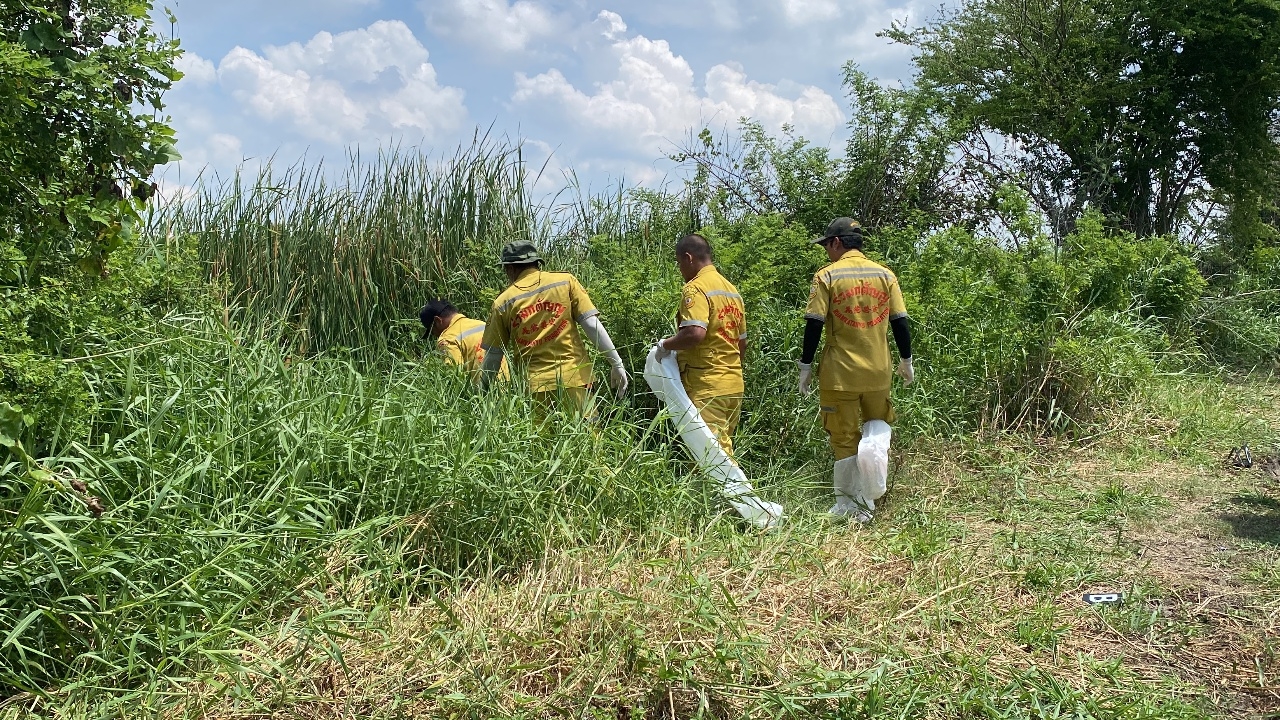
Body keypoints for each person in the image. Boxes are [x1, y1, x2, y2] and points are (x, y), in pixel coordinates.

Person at [798, 217, 914, 522]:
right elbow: (900, 320)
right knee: (876, 427)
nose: (826, 252)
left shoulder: (827, 275)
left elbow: (814, 323)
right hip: (878, 372)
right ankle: (872, 493)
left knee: (843, 437)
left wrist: (805, 365)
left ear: (836, 242)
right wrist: (907, 359)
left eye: (827, 245)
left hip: (840, 374)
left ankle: (852, 505)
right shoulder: (885, 274)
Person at [479, 241, 628, 420]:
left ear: (510, 268)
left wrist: (482, 394)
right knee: (588, 439)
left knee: (545, 444)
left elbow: (494, 355)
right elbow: (591, 324)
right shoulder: (565, 281)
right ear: (537, 263)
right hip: (575, 377)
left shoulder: (503, 302)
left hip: (534, 387)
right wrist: (616, 363)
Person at [655, 233, 746, 457]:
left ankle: (734, 494)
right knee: (703, 455)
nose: (680, 270)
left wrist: (665, 345)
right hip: (733, 385)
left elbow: (694, 333)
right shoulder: (731, 290)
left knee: (715, 458)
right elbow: (741, 344)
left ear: (688, 258)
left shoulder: (695, 289)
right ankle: (701, 493)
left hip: (707, 385)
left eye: (679, 263)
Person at [419, 298, 508, 384]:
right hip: (507, 389)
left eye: (432, 331)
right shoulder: (482, 324)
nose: (435, 335)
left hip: (485, 394)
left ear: (438, 321)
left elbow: (455, 377)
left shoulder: (448, 339)